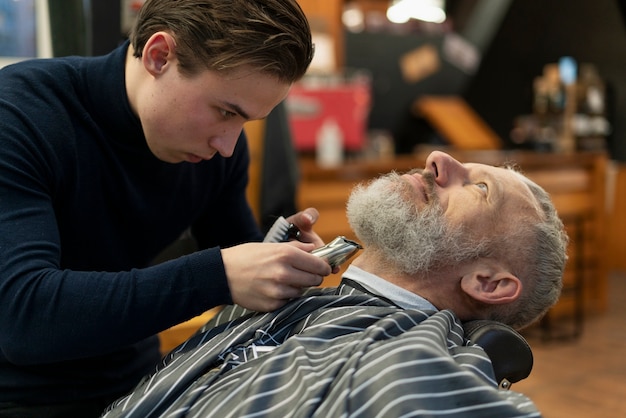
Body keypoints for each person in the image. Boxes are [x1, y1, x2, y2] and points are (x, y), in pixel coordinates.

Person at [0, 1, 333, 416]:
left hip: (142, 388)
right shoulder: (18, 115)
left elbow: (240, 259)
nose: (227, 145)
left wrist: (281, 261)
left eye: (245, 122)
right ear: (159, 56)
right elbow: (24, 318)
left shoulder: (217, 152)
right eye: (226, 112)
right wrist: (220, 274)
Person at [103, 150, 569, 417]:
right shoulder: (301, 298)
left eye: (479, 189)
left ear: (487, 283)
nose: (439, 159)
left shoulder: (412, 356)